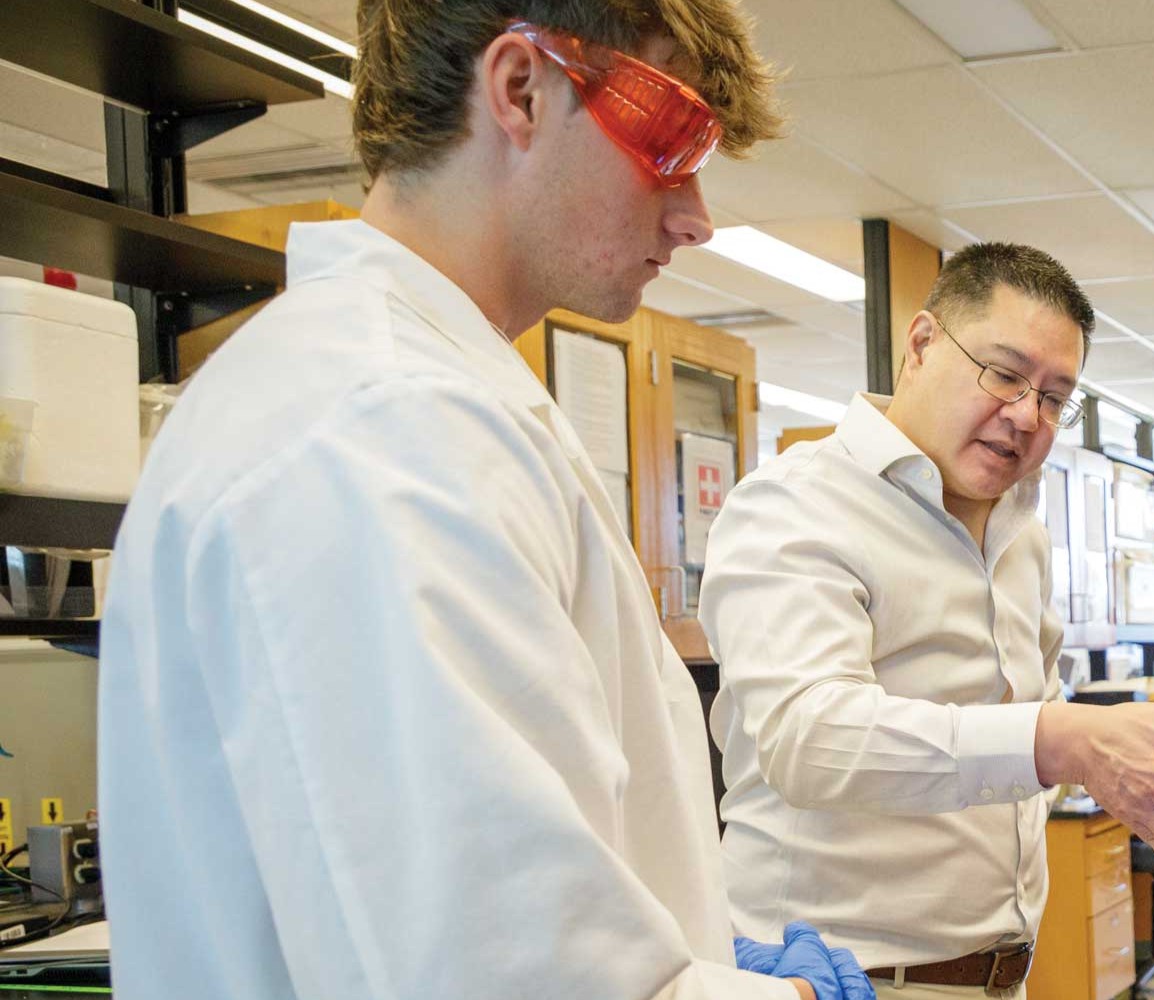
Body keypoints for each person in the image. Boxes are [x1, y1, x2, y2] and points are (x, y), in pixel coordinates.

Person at [97, 3, 860, 997]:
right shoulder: (379, 428)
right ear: (520, 88)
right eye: (672, 144)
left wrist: (698, 950)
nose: (694, 215)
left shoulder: (417, 397)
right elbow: (505, 972)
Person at [700, 243, 1154, 997]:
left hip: (1000, 977)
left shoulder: (1023, 536)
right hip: (841, 980)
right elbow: (809, 738)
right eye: (1005, 373)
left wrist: (1100, 755)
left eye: (1055, 397)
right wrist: (1060, 739)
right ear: (921, 344)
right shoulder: (796, 504)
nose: (1026, 415)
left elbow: (1024, 739)